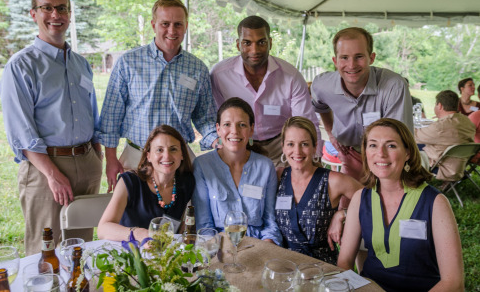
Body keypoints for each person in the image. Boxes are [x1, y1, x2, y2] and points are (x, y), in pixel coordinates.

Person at [0, 0, 102, 255]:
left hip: (87, 163)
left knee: (82, 247)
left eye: (62, 8)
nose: (55, 14)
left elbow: (91, 111)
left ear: (69, 14)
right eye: (47, 7)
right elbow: (21, 129)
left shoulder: (81, 63)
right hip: (47, 169)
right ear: (34, 14)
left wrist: (97, 156)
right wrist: (52, 174)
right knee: (44, 251)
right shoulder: (21, 65)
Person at [99, 0, 218, 191]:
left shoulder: (197, 69)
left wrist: (218, 140)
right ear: (154, 25)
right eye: (165, 24)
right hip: (136, 156)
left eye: (178, 24)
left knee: (179, 216)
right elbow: (111, 117)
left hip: (178, 159)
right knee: (133, 218)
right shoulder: (129, 63)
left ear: (186, 26)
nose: (172, 31)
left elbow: (204, 118)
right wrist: (111, 159)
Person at [338, 118, 464, 292]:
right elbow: (344, 262)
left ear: (408, 153)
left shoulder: (435, 203)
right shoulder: (361, 198)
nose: (380, 153)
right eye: (373, 145)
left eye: (391, 145)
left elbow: (454, 283)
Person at [210, 16, 321, 166]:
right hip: (239, 144)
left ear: (270, 43)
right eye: (247, 43)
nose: (254, 50)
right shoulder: (219, 75)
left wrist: (315, 156)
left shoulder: (291, 76)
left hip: (281, 144)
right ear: (238, 45)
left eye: (261, 42)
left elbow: (306, 122)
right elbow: (213, 115)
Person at [311, 27, 413, 182]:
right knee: (351, 203)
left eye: (359, 57)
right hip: (349, 154)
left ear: (371, 58)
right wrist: (331, 134)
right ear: (335, 61)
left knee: (386, 202)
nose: (351, 65)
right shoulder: (322, 85)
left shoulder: (394, 86)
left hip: (386, 156)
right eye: (344, 57)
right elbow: (320, 106)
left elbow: (398, 139)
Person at [192, 97, 282, 245]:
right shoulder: (202, 166)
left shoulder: (265, 166)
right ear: (218, 129)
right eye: (227, 124)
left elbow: (270, 221)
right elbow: (204, 226)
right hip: (219, 246)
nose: (234, 131)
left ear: (251, 129)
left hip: (259, 245)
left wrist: (267, 246)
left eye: (242, 125)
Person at [275, 117, 362, 264]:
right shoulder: (277, 176)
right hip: (284, 265)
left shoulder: (333, 181)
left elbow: (373, 200)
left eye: (304, 144)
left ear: (315, 147)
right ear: (283, 147)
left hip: (322, 268)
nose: (297, 151)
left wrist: (344, 214)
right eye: (290, 144)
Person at [97, 125, 194, 241]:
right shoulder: (129, 182)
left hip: (165, 254)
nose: (167, 156)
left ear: (182, 154)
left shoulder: (186, 182)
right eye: (159, 150)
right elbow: (103, 229)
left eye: (173, 149)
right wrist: (140, 234)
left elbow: (184, 224)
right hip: (130, 252)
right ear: (148, 156)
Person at [415, 90, 475, 181]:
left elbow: (414, 136)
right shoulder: (468, 122)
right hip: (460, 167)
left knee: (409, 145)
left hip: (442, 169)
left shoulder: (441, 127)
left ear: (440, 106)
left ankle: (409, 179)